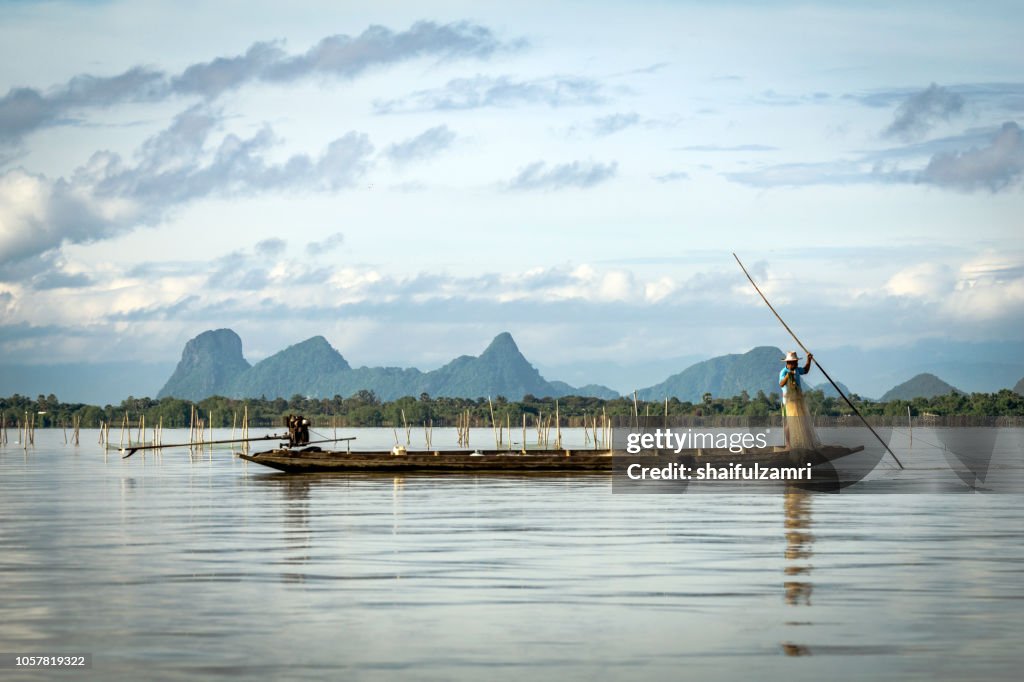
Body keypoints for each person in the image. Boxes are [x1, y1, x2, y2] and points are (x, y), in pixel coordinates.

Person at [779, 351, 820, 450]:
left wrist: (809, 360)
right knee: (788, 423)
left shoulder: (796, 370)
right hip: (788, 402)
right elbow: (781, 384)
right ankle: (789, 445)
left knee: (802, 420)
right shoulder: (784, 372)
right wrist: (788, 376)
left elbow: (805, 370)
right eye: (795, 362)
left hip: (798, 400)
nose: (797, 363)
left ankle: (806, 443)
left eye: (796, 361)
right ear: (789, 363)